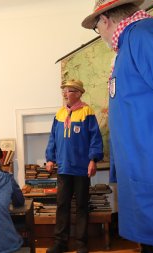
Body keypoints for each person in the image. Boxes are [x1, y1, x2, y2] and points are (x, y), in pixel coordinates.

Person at [81, 0, 153, 252]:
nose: (99, 34)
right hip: (150, 190)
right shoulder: (131, 44)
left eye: (96, 27)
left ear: (105, 20)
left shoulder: (147, 36)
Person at [45, 79, 104, 253]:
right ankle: (60, 243)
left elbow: (95, 139)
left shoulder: (87, 112)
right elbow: (52, 138)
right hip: (63, 168)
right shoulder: (59, 114)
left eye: (69, 90)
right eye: (64, 90)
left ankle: (81, 244)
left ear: (78, 93)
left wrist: (93, 160)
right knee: (62, 205)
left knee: (81, 206)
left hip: (81, 168)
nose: (65, 94)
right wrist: (50, 158)